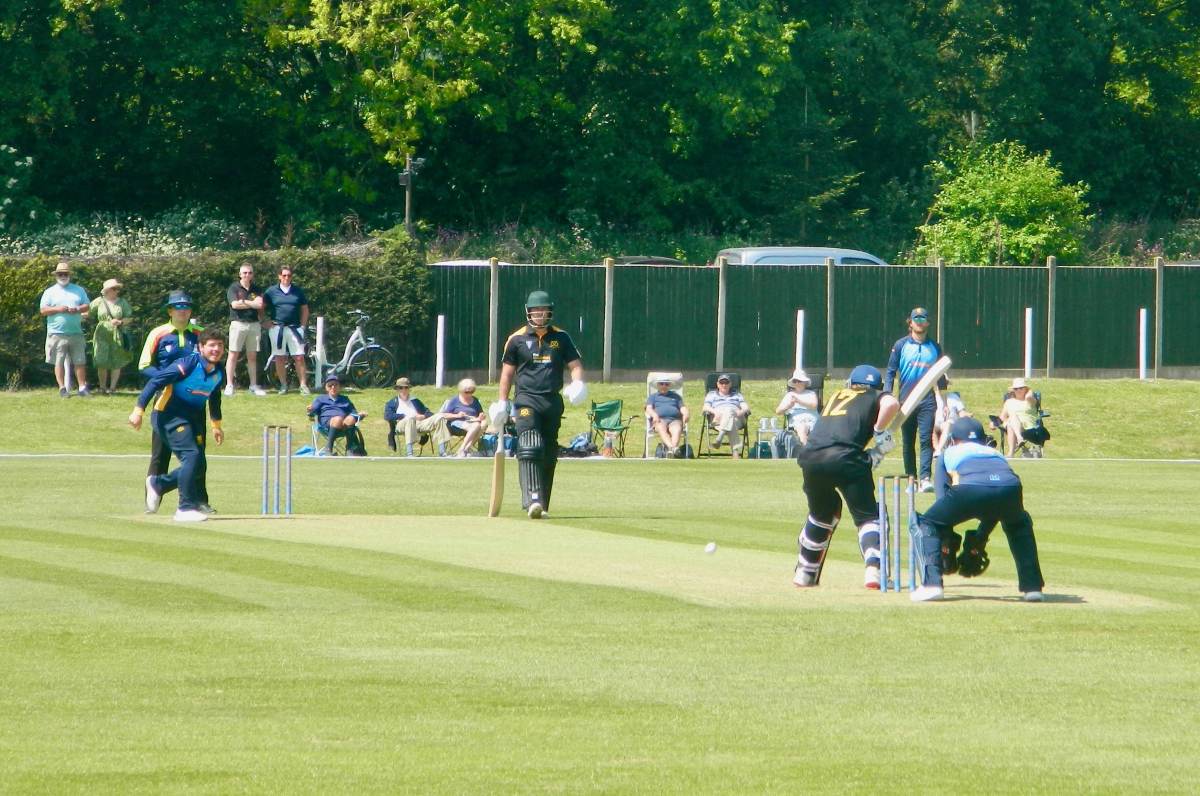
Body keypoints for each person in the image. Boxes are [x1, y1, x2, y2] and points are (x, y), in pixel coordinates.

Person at [908, 416, 1045, 602]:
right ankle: (1033, 588)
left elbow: (942, 497)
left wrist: (946, 541)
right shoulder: (994, 452)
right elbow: (994, 502)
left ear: (954, 439)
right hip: (1010, 488)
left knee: (926, 522)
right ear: (982, 439)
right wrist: (979, 538)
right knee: (1019, 524)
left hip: (969, 489)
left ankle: (932, 585)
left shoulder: (949, 452)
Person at [793, 364, 900, 590]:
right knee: (869, 516)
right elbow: (891, 403)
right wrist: (880, 434)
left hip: (811, 458)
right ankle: (874, 570)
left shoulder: (837, 395)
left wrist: (871, 457)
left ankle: (805, 572)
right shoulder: (875, 394)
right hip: (845, 457)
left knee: (823, 513)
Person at [494, 290, 585, 519]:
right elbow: (507, 374)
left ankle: (542, 503)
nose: (539, 315)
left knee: (548, 451)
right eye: (535, 311)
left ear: (549, 312)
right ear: (529, 312)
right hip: (526, 399)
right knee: (529, 443)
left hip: (552, 401)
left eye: (543, 310)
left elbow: (574, 365)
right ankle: (531, 498)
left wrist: (578, 383)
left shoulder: (561, 337)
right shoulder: (517, 339)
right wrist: (503, 403)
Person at [129, 328, 226, 523]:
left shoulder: (219, 372)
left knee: (198, 464)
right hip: (168, 415)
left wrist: (216, 425)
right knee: (191, 455)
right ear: (201, 347)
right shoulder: (188, 363)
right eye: (212, 345)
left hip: (191, 419)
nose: (216, 349)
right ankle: (185, 507)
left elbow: (214, 397)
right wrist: (138, 409)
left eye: (220, 346)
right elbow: (156, 381)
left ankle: (159, 484)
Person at [138, 290, 211, 513]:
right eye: (178, 307)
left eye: (187, 307)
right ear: (170, 311)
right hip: (165, 398)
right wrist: (167, 380)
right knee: (161, 453)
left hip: (194, 400)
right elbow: (144, 366)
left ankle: (199, 500)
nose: (183, 311)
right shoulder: (159, 334)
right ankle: (153, 499)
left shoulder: (199, 334)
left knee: (197, 453)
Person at [884, 306, 946, 493]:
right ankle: (911, 479)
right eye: (916, 319)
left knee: (926, 439)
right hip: (906, 400)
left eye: (922, 319)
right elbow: (890, 371)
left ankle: (925, 478)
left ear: (928, 323)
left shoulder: (934, 347)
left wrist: (943, 402)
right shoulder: (901, 345)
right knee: (908, 440)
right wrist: (888, 394)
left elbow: (940, 376)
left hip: (927, 401)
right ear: (910, 323)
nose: (919, 322)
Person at [38, 261, 91, 397]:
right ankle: (62, 388)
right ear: (56, 275)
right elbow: (43, 310)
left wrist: (77, 309)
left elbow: (86, 306)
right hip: (57, 333)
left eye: (65, 274)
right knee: (59, 361)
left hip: (76, 332)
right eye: (60, 274)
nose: (63, 276)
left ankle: (82, 388)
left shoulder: (79, 290)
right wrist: (58, 309)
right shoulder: (49, 292)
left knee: (80, 361)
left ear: (69, 275)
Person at [263, 265, 310, 395]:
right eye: (284, 275)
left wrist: (302, 326)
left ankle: (303, 385)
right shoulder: (271, 291)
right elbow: (261, 307)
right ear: (279, 276)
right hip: (277, 328)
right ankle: (283, 385)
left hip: (295, 328)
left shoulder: (298, 291)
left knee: (299, 357)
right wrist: (264, 322)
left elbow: (305, 309)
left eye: (289, 275)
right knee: (279, 357)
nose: (286, 278)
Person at [224, 261, 267, 396]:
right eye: (244, 273)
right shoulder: (233, 288)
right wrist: (250, 303)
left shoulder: (257, 289)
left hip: (254, 324)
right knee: (233, 354)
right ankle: (229, 385)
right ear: (240, 274)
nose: (247, 275)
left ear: (252, 274)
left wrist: (244, 302)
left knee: (252, 356)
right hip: (238, 324)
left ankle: (253, 385)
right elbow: (234, 305)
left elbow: (259, 305)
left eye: (250, 273)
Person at [383, 377, 452, 457]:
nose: (404, 390)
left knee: (439, 417)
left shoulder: (415, 401)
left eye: (406, 387)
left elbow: (428, 412)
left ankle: (442, 451)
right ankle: (409, 452)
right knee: (410, 418)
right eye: (401, 388)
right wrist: (405, 416)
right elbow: (387, 416)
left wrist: (423, 416)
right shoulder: (392, 402)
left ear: (409, 389)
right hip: (402, 424)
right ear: (397, 389)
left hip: (419, 423)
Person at [89, 277, 134, 394]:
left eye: (117, 288)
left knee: (117, 359)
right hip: (102, 333)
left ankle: (112, 388)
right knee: (101, 359)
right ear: (107, 290)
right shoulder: (99, 301)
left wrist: (121, 322)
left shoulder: (122, 302)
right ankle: (102, 388)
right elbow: (87, 312)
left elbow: (130, 317)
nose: (116, 291)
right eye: (114, 288)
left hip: (117, 333)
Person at [308, 373, 366, 456]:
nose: (333, 387)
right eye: (330, 385)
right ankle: (328, 448)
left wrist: (360, 415)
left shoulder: (345, 399)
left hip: (344, 426)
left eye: (335, 385)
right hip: (326, 426)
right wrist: (310, 410)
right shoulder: (321, 399)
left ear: (339, 387)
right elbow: (312, 414)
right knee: (337, 419)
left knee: (350, 419)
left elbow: (354, 413)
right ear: (326, 388)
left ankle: (350, 449)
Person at [702, 374, 750, 455]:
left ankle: (720, 436)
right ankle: (735, 453)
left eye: (726, 382)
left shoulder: (737, 395)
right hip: (718, 419)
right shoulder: (711, 394)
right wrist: (715, 412)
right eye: (721, 383)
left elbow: (746, 408)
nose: (724, 385)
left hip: (737, 417)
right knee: (731, 421)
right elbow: (705, 407)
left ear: (730, 384)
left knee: (729, 410)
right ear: (717, 384)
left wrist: (740, 412)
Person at [999, 378, 1046, 457]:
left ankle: (1011, 452)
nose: (1018, 390)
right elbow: (1002, 417)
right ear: (1013, 390)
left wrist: (1029, 391)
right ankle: (1018, 440)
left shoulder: (1030, 400)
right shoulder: (1009, 402)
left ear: (1026, 389)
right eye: (1016, 389)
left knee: (1011, 419)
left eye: (1021, 388)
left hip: (1030, 427)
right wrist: (993, 423)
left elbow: (1028, 397)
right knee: (1011, 421)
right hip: (1012, 426)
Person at [440, 378, 486, 457]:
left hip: (473, 422)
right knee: (476, 425)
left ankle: (465, 448)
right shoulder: (454, 400)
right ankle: (462, 449)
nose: (469, 394)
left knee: (483, 424)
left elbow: (481, 413)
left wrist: (481, 416)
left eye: (472, 392)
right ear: (461, 391)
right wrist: (457, 415)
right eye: (467, 392)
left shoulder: (475, 400)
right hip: (457, 424)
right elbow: (444, 415)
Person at [646, 376, 689, 458]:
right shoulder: (653, 397)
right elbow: (649, 408)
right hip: (660, 420)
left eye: (666, 384)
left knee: (677, 429)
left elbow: (683, 408)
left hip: (674, 420)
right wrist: (655, 415)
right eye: (661, 384)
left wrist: (686, 414)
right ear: (658, 385)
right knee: (661, 427)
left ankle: (671, 450)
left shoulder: (676, 396)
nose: (664, 386)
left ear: (669, 386)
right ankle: (673, 448)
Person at [775, 369, 819, 446]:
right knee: (802, 428)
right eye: (795, 381)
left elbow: (814, 405)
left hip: (813, 421)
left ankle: (806, 451)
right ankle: (806, 451)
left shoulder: (811, 393)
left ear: (805, 382)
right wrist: (788, 406)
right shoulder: (790, 395)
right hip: (798, 422)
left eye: (799, 381)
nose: (797, 383)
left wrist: (798, 401)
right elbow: (778, 411)